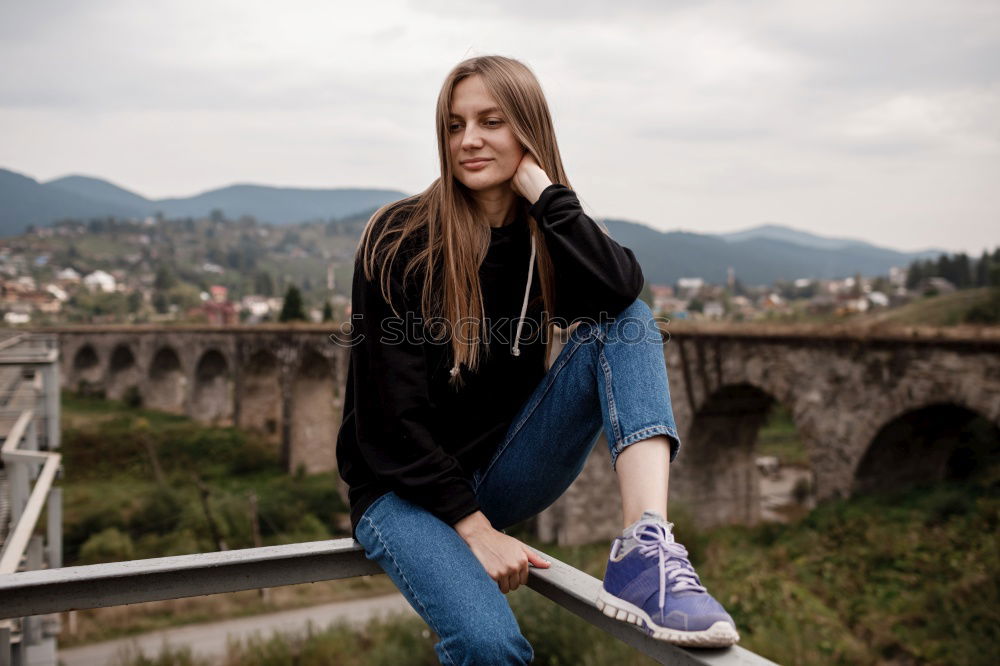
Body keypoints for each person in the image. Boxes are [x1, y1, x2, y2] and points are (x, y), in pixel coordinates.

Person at [335, 55, 739, 664]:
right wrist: (473, 530)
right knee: (491, 645)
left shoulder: (542, 236)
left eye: (491, 122)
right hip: (401, 492)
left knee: (626, 323)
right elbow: (387, 428)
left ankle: (645, 550)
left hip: (503, 470)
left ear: (527, 130)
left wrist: (545, 193)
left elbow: (619, 288)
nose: (468, 140)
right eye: (453, 125)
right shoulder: (399, 239)